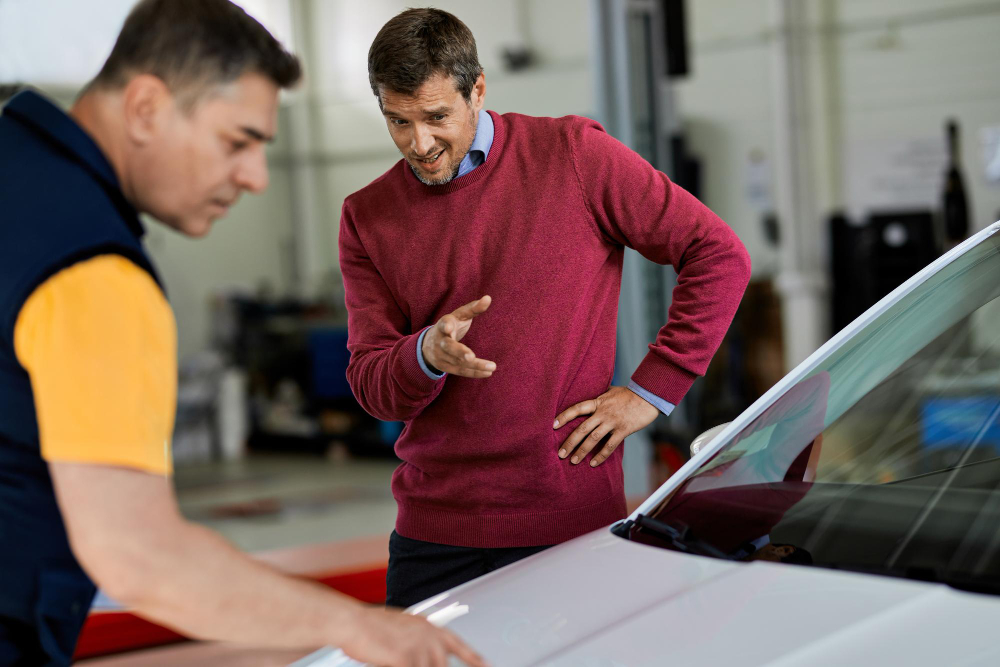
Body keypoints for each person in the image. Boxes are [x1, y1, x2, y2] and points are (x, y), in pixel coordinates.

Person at [0, 1, 485, 665]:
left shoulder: (14, 165)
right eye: (237, 141)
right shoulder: (92, 274)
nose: (256, 177)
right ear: (145, 107)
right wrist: (358, 625)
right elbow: (138, 554)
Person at [339, 7, 752, 609]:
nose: (418, 144)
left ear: (478, 89)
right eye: (397, 121)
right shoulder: (367, 217)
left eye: (436, 117)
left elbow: (717, 254)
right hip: (433, 537)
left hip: (567, 525)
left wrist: (652, 390)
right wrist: (423, 353)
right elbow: (372, 386)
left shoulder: (573, 155)